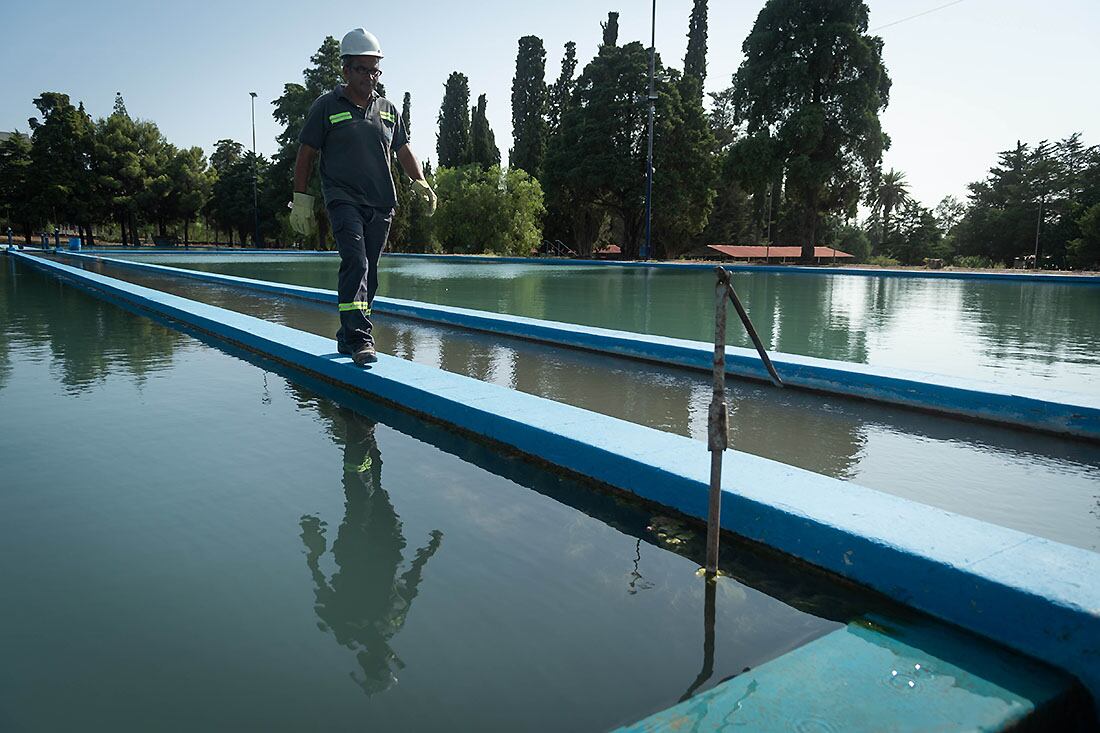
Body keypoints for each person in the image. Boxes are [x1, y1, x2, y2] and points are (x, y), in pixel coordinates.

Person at [289, 28, 436, 366]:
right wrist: (301, 198)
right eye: (362, 69)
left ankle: (346, 335)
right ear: (345, 70)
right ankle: (360, 339)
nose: (370, 77)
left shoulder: (387, 110)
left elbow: (402, 148)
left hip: (382, 203)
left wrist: (421, 181)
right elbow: (306, 153)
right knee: (356, 262)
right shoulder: (326, 106)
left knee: (370, 273)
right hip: (342, 200)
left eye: (375, 70)